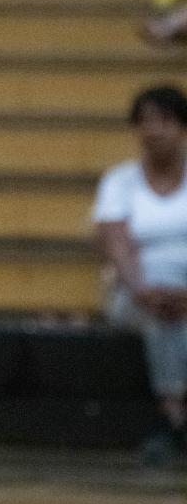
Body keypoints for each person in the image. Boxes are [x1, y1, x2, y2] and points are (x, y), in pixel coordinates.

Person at [93, 85, 187, 466]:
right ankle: (175, 416)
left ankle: (172, 418)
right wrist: (144, 290)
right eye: (145, 122)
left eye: (164, 120)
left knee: (173, 315)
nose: (154, 131)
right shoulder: (120, 182)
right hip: (135, 294)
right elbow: (116, 244)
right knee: (162, 311)